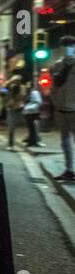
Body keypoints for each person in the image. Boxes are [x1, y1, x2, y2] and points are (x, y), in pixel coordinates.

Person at [49, 35, 75, 181]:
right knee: (64, 141)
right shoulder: (57, 65)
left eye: (70, 45)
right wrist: (55, 102)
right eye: (65, 45)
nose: (67, 48)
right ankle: (69, 170)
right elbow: (53, 86)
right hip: (61, 109)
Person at [4, 71, 28, 150]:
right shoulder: (10, 87)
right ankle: (11, 144)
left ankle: (31, 140)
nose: (16, 82)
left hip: (19, 108)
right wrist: (9, 83)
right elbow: (2, 91)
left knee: (28, 125)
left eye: (17, 81)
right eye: (15, 81)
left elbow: (23, 97)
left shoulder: (22, 87)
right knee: (11, 127)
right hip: (11, 108)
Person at [23, 79, 44, 148]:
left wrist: (29, 108)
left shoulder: (32, 93)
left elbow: (38, 102)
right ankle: (32, 141)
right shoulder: (31, 93)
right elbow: (38, 102)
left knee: (32, 128)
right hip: (30, 112)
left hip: (30, 112)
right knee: (31, 128)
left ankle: (33, 141)